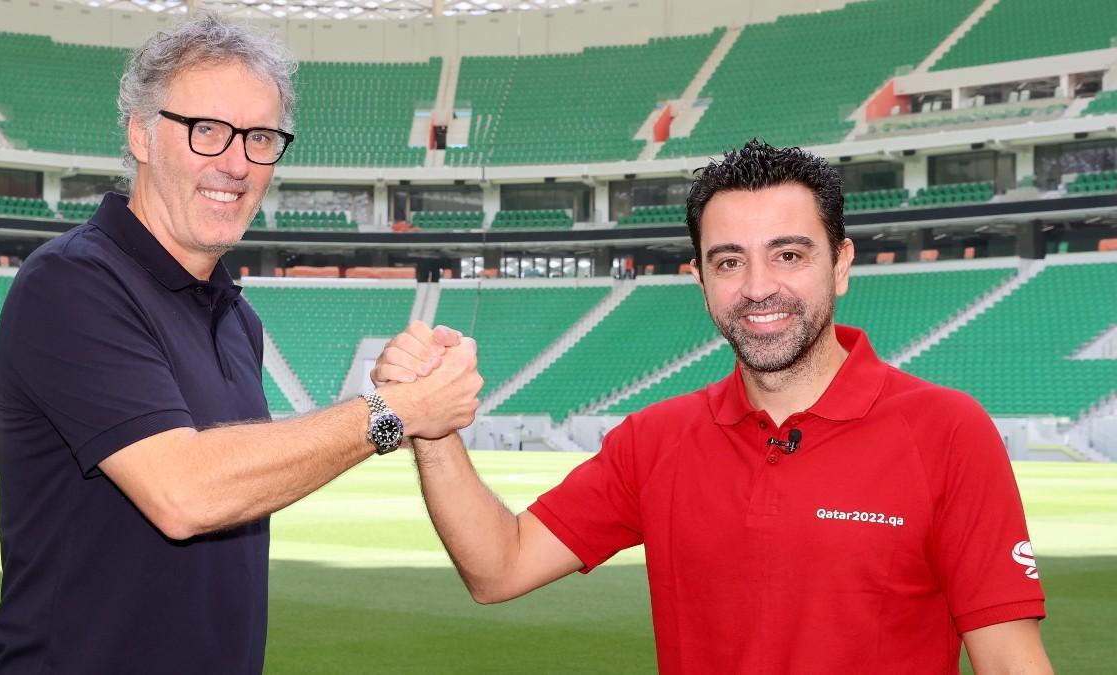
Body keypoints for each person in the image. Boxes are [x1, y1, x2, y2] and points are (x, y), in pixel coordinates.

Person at [375, 140, 1052, 674]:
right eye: (729, 262)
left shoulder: (946, 431)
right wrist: (433, 429)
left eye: (788, 254)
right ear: (699, 279)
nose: (759, 288)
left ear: (841, 263)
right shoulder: (656, 440)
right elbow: (498, 566)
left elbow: (1010, 661)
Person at [0, 13, 481, 673]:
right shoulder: (72, 283)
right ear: (141, 132)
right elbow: (185, 494)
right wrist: (392, 410)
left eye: (260, 138)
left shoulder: (235, 319)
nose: (236, 163)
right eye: (207, 130)